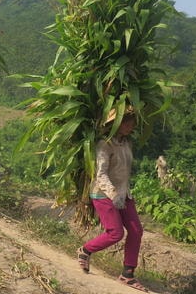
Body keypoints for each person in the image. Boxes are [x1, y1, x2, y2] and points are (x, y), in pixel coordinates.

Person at [77, 106, 149, 292]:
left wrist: (122, 194)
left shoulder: (126, 143)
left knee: (136, 231)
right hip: (103, 193)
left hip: (124, 194)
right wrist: (113, 194)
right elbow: (100, 174)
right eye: (125, 121)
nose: (129, 126)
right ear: (114, 124)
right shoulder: (104, 144)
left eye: (131, 122)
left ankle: (127, 274)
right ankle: (85, 250)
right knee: (115, 233)